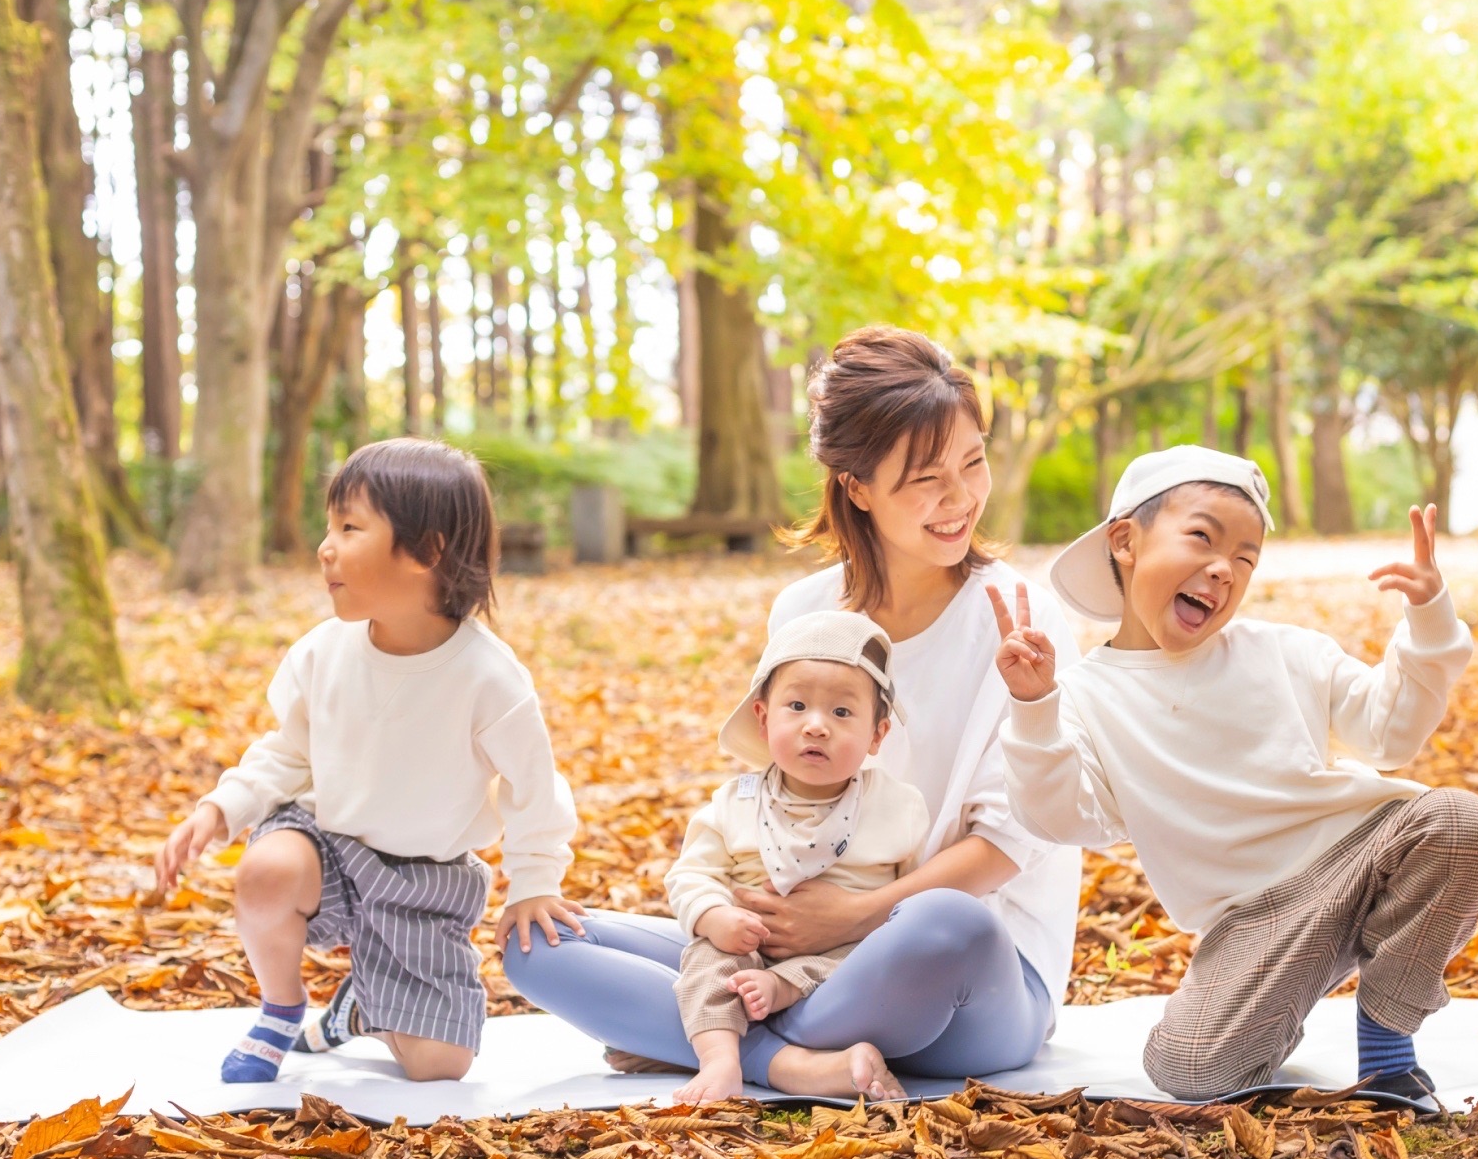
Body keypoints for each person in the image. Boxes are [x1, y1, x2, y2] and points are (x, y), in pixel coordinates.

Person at [503, 327, 1083, 1098]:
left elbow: (1013, 839)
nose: (961, 497)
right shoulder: (804, 612)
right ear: (856, 486)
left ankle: (713, 1038)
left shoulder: (1022, 616)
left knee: (949, 922)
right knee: (538, 942)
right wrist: (744, 922)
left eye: (973, 463)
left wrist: (854, 916)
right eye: (926, 478)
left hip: (966, 974)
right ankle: (796, 1061)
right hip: (793, 952)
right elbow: (778, 796)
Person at [992, 445, 1478, 1108]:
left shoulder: (1285, 651)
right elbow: (1061, 817)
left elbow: (1390, 734)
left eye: (1245, 559)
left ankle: (1386, 1041)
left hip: (1360, 855)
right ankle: (1292, 990)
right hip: (1252, 921)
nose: (1224, 569)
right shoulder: (1086, 698)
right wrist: (1034, 707)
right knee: (1190, 1069)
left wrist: (1430, 617)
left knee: (1463, 825)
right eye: (1202, 537)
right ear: (1125, 540)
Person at [154, 438, 584, 1084]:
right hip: (326, 842)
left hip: (423, 880)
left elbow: (534, 788)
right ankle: (281, 1007)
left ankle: (361, 1010)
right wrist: (223, 808)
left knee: (440, 1065)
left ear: (427, 551)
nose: (324, 548)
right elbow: (288, 751)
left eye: (349, 528)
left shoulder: (490, 678)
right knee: (267, 871)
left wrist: (534, 882)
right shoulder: (323, 652)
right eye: (329, 527)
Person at [668, 610, 932, 1103]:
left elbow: (911, 900)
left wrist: (877, 927)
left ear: (877, 735)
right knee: (706, 962)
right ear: (763, 718)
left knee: (863, 957)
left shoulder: (899, 807)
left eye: (842, 712)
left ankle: (774, 1002)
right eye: (796, 706)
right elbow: (691, 875)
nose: (816, 726)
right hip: (747, 946)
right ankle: (720, 1059)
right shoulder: (735, 803)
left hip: (841, 956)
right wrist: (714, 916)